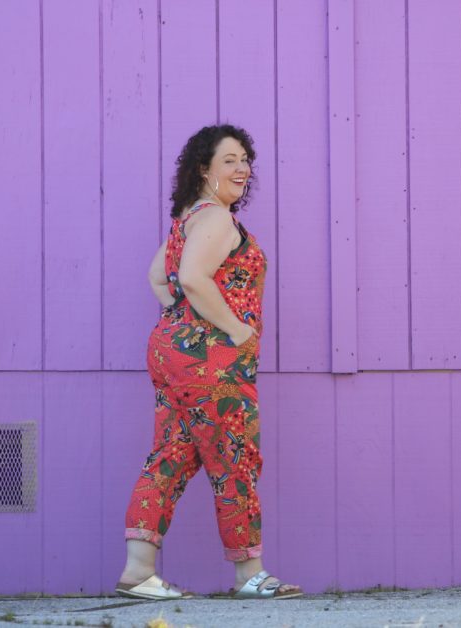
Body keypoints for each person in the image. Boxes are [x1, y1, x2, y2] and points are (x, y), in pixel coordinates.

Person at [115, 124, 303, 600]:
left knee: (171, 456)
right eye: (229, 160)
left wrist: (180, 320)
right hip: (211, 358)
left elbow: (160, 278)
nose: (242, 168)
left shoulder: (190, 218)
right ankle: (250, 574)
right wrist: (236, 330)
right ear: (204, 169)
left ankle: (138, 571)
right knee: (234, 457)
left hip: (171, 351)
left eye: (245, 160)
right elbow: (194, 278)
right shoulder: (217, 220)